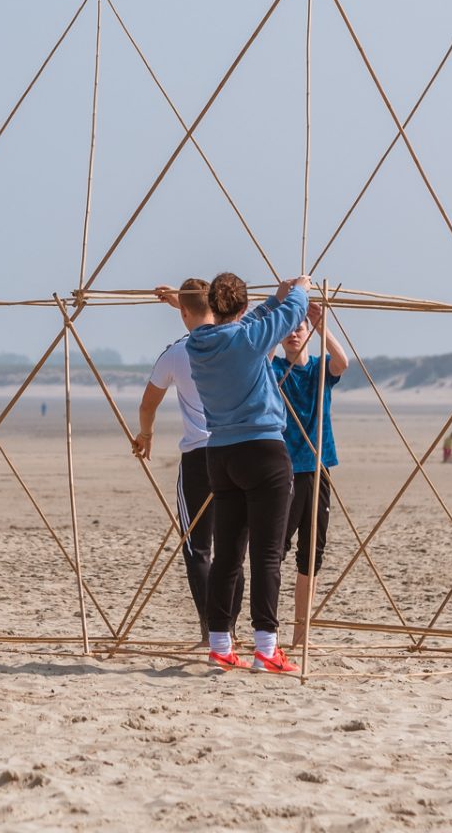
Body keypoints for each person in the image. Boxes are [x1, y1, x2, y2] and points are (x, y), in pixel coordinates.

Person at [190, 271, 310, 674]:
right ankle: (266, 649)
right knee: (266, 554)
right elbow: (290, 316)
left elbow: (254, 324)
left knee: (227, 553)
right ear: (241, 307)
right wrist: (298, 291)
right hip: (262, 452)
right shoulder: (246, 339)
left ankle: (219, 645)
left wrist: (274, 300)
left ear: (213, 306)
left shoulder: (199, 343)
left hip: (220, 454)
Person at [131, 278, 242, 644]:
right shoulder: (236, 340)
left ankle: (212, 629)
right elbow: (217, 318)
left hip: (199, 456)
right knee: (232, 547)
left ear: (183, 312)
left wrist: (146, 434)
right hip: (235, 450)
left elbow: (148, 404)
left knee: (198, 547)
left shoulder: (176, 353)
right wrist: (183, 302)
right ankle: (230, 626)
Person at [272, 301, 347, 652]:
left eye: (298, 328)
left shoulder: (319, 368)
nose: (293, 333)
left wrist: (321, 326)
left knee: (311, 556)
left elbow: (343, 362)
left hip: (318, 468)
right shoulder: (274, 369)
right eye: (288, 329)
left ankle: (300, 636)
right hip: (284, 470)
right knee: (275, 551)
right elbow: (257, 360)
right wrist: (278, 317)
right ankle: (268, 634)